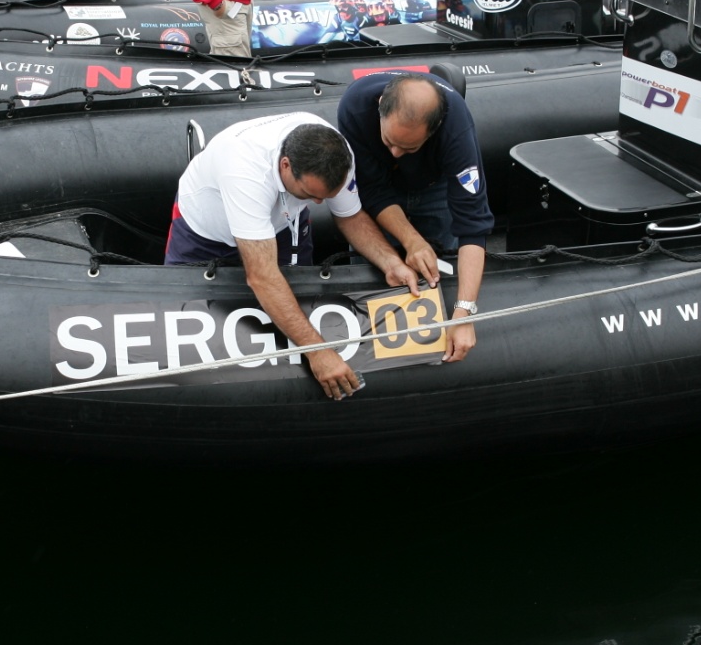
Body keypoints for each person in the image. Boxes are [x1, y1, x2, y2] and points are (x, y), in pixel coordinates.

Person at [165, 113, 419, 399]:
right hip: (206, 231)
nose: (319, 202)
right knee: (183, 319)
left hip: (283, 223)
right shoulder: (245, 169)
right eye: (310, 193)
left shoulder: (337, 153)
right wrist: (319, 352)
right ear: (285, 165)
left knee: (300, 303)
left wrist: (391, 262)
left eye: (323, 196)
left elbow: (350, 216)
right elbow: (262, 278)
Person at [336, 72, 491, 362]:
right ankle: (363, 351)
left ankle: (440, 335)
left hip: (434, 187)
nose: (396, 153)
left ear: (434, 130)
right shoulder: (355, 106)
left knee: (439, 268)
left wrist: (465, 311)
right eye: (389, 141)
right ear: (381, 105)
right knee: (370, 269)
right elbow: (371, 191)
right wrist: (412, 241)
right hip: (378, 188)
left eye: (409, 148)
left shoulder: (456, 128)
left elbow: (473, 224)